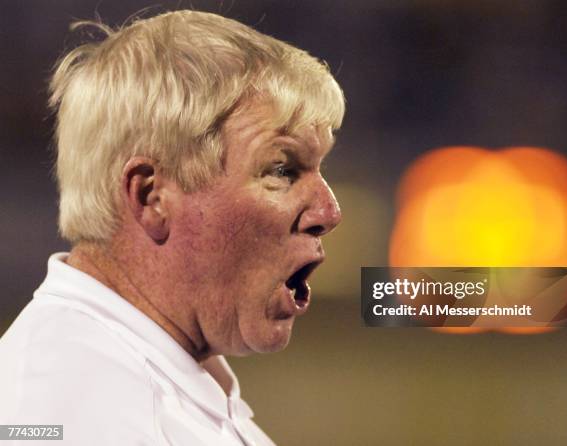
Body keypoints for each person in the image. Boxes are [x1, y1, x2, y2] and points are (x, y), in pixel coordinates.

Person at [0, 10, 344, 445]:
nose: (329, 212)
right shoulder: (61, 413)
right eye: (282, 169)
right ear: (151, 197)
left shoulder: (159, 379)